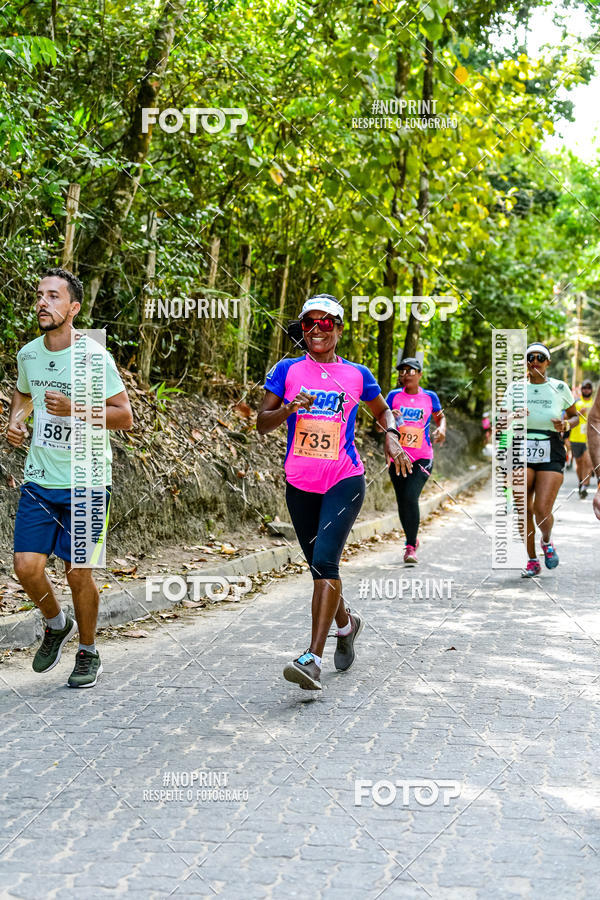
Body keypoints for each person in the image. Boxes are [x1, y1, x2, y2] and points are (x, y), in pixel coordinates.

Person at [257, 294, 410, 691]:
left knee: (326, 562)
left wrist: (392, 438)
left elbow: (382, 411)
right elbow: (262, 423)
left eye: (327, 323)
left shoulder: (357, 375)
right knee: (318, 568)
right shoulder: (287, 370)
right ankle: (347, 625)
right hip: (299, 484)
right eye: (310, 323)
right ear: (302, 329)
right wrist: (290, 409)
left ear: (340, 329)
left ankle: (311, 658)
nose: (317, 330)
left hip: (345, 480)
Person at [5, 268, 133, 687]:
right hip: (41, 477)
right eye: (40, 295)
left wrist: (75, 408)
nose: (43, 303)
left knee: (79, 572)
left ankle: (88, 650)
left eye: (54, 297)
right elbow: (23, 394)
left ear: (73, 308)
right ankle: (56, 623)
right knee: (26, 567)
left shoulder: (95, 357)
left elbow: (124, 416)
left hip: (89, 479)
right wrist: (16, 421)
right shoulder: (29, 354)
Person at [503, 342, 577, 577]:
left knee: (542, 509)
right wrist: (514, 415)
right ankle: (532, 559)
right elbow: (502, 420)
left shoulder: (559, 387)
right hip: (520, 446)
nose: (534, 361)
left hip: (551, 446)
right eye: (530, 357)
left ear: (548, 362)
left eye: (540, 357)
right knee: (523, 507)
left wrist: (566, 424)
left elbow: (576, 417)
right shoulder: (515, 388)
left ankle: (546, 540)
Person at [385, 358, 445, 565]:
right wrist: (388, 418)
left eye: (411, 370)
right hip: (398, 459)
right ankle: (412, 539)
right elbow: (379, 426)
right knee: (402, 500)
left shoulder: (430, 397)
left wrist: (442, 428)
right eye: (402, 370)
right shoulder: (393, 396)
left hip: (422, 458)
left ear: (420, 374)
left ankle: (410, 547)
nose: (406, 373)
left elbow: (440, 417)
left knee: (410, 497)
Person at [570, 379, 595, 498]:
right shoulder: (576, 403)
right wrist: (579, 413)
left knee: (588, 462)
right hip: (575, 438)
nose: (586, 390)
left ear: (592, 390)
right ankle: (581, 482)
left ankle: (585, 485)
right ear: (582, 390)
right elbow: (567, 417)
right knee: (579, 464)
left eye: (588, 388)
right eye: (584, 388)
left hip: (589, 439)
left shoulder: (595, 404)